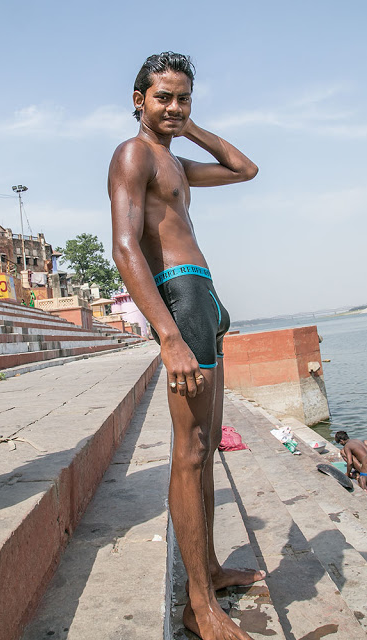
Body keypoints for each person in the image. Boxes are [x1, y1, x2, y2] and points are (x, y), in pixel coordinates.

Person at [109, 52, 262, 640]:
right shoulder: (133, 155)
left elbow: (245, 169)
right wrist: (168, 337)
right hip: (178, 298)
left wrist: (187, 127)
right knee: (191, 450)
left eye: (183, 98)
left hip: (204, 298)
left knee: (207, 450)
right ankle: (199, 607)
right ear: (138, 99)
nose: (172, 107)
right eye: (163, 98)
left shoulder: (171, 159)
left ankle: (214, 570)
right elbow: (125, 248)